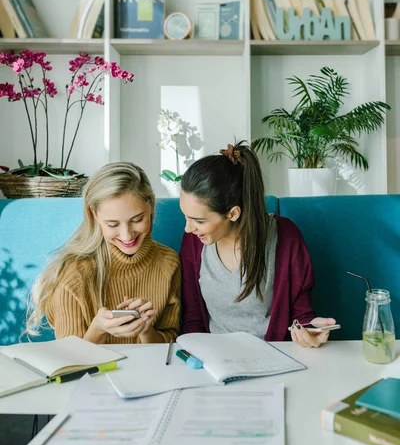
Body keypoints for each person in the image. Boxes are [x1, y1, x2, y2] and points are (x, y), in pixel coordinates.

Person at [179, 142, 336, 348]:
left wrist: (309, 328)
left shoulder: (285, 237)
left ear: (232, 213)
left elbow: (302, 312)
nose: (188, 228)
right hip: (214, 359)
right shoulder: (194, 242)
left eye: (199, 221)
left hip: (274, 355)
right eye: (186, 217)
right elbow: (192, 319)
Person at [29, 162, 180, 344]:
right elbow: (69, 359)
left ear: (152, 206)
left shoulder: (169, 263)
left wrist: (146, 330)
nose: (127, 235)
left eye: (137, 219)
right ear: (94, 214)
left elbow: (171, 343)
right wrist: (98, 329)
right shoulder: (74, 274)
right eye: (113, 224)